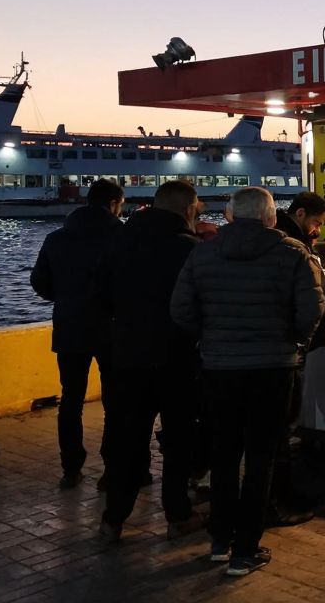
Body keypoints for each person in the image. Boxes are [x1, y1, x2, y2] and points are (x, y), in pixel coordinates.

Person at [171, 187, 325, 576]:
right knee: (262, 456)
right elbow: (313, 310)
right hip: (274, 369)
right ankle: (246, 550)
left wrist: (207, 341)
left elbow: (181, 309)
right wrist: (295, 344)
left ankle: (220, 541)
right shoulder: (293, 254)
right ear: (271, 217)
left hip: (220, 368)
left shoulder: (202, 253)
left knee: (224, 454)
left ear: (228, 215)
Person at [91, 180, 204, 543]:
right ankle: (177, 515)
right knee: (178, 440)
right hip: (177, 357)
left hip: (127, 356)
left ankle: (113, 519)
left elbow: (100, 297)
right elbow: (200, 306)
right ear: (188, 209)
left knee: (128, 439)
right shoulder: (190, 250)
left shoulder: (118, 242)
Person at [30, 178, 125, 489]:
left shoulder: (56, 238)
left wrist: (67, 297)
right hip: (112, 328)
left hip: (70, 326)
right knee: (115, 400)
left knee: (70, 399)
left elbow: (39, 282)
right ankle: (113, 469)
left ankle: (71, 467)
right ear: (114, 203)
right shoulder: (123, 237)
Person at [271, 190, 325, 527]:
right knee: (278, 430)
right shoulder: (293, 249)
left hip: (229, 359)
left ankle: (244, 507)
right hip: (282, 355)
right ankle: (279, 500)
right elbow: (314, 304)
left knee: (254, 435)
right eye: (316, 222)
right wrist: (306, 339)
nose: (317, 230)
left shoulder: (214, 251)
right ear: (299, 214)